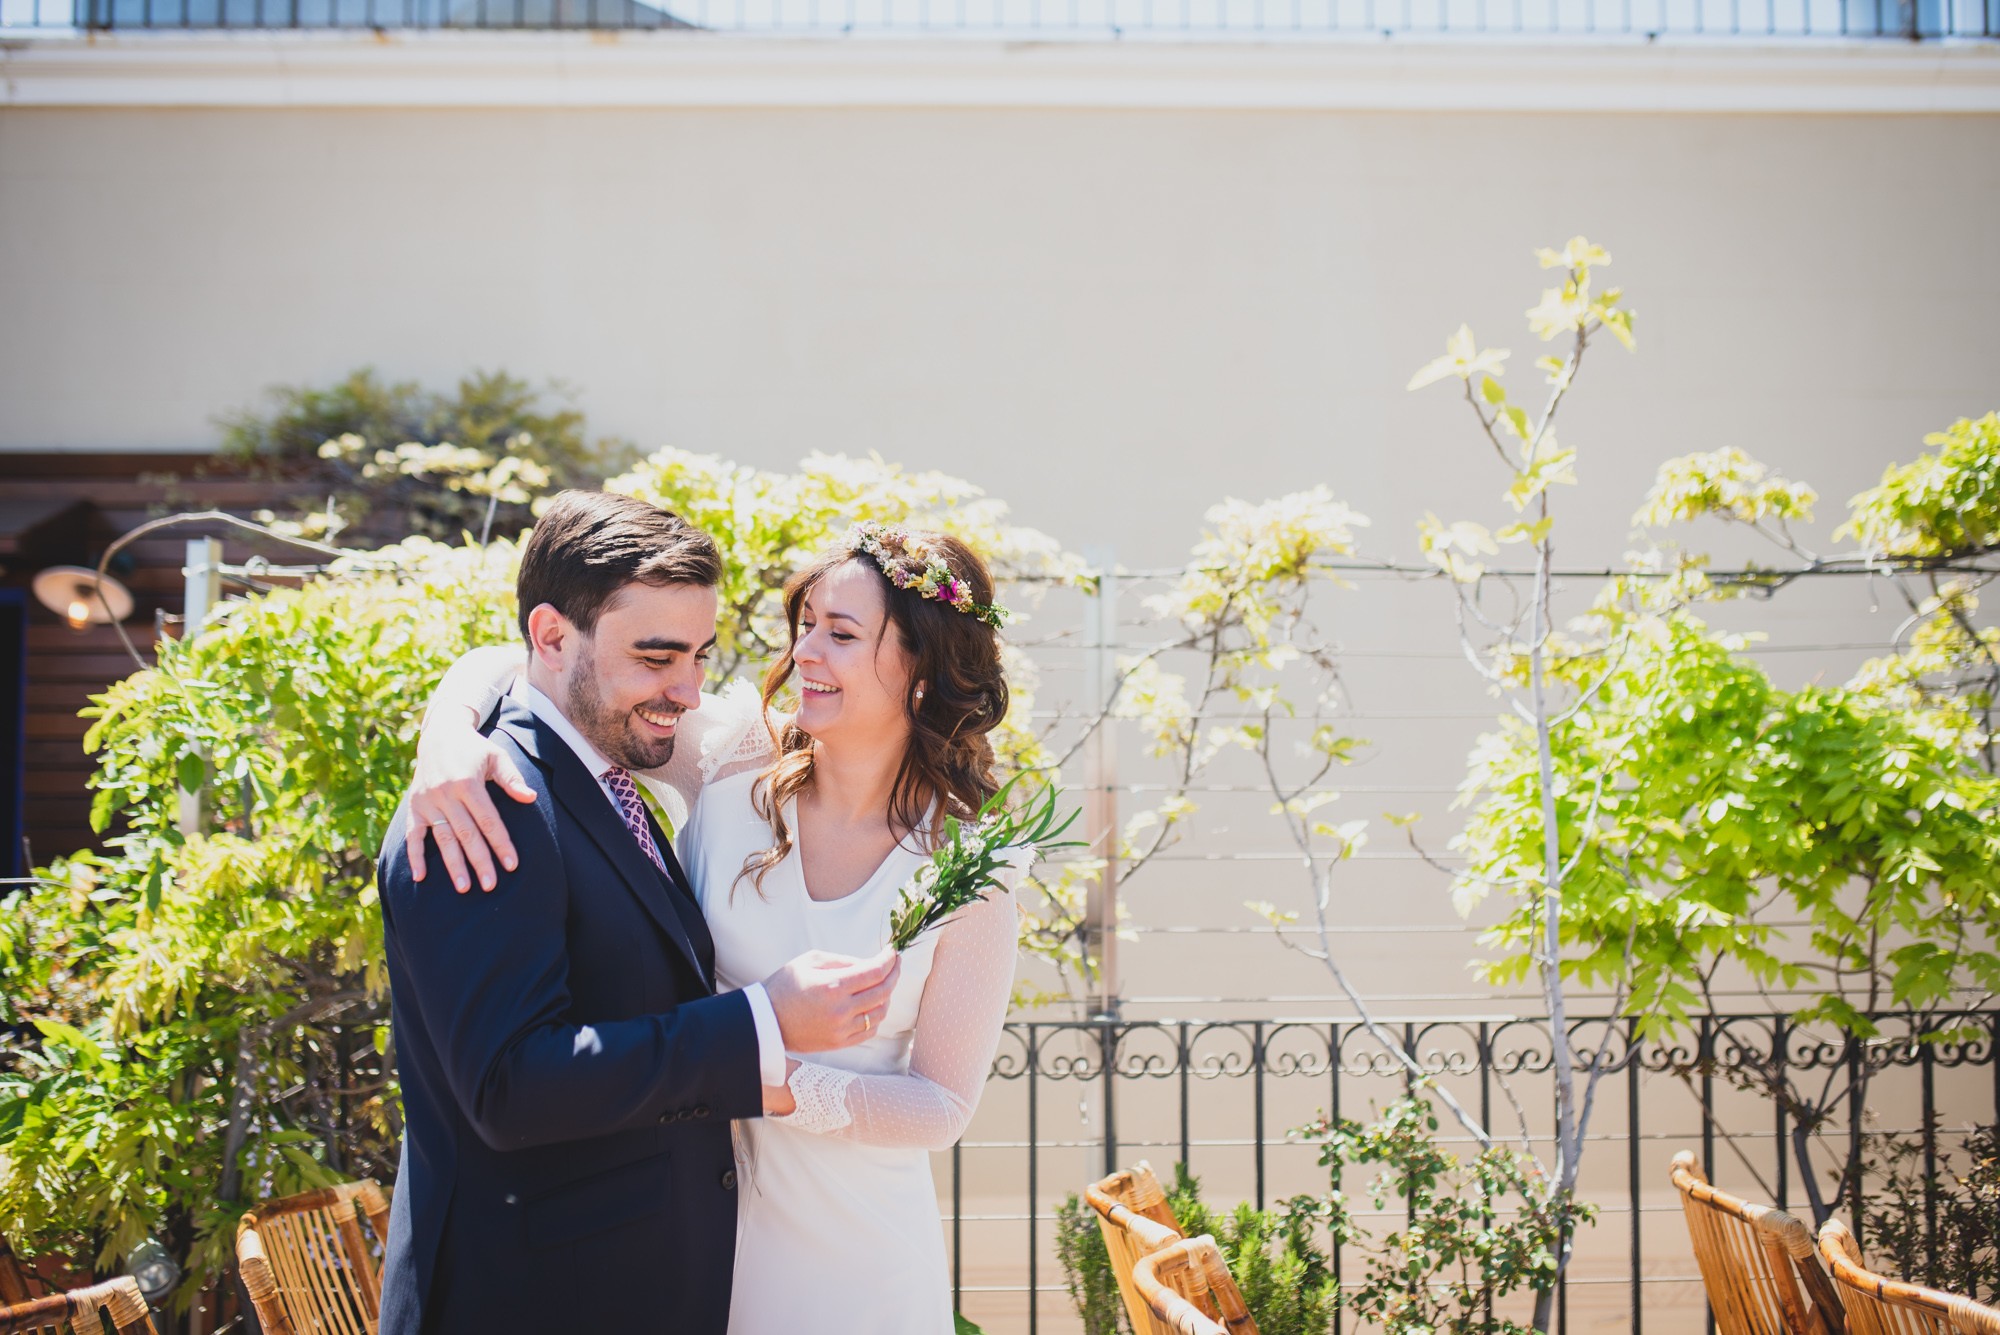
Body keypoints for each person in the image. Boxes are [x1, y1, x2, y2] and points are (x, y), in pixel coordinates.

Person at [406, 515, 1026, 1335]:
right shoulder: (737, 762)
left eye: (840, 634)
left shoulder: (970, 868)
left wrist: (777, 1082)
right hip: (684, 1231)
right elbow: (545, 660)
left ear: (922, 668)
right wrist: (445, 731)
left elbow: (942, 1103)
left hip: (853, 1251)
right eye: (805, 627)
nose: (804, 653)